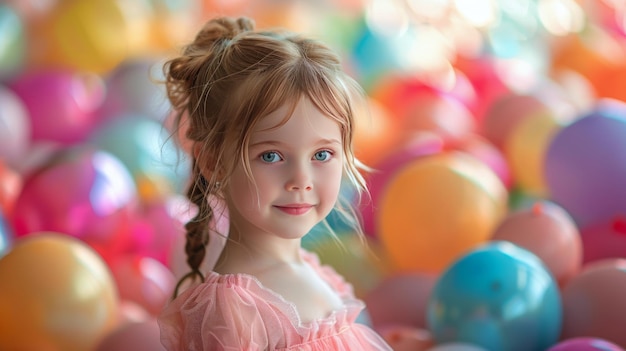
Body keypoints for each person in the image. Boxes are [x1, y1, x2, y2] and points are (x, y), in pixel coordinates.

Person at [158, 16, 393, 350]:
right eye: (271, 156)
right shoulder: (236, 314)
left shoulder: (314, 271)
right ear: (213, 162)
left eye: (322, 155)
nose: (301, 180)